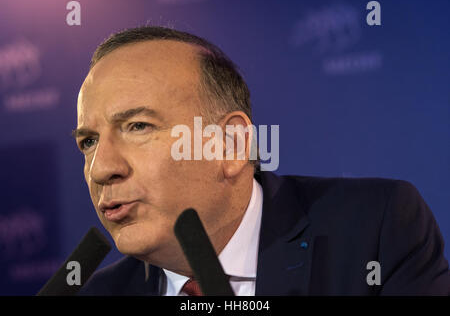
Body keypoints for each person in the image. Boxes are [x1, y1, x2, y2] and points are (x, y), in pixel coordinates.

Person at [73, 26, 449, 295]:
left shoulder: (372, 232)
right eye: (88, 141)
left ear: (232, 145)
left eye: (137, 126)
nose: (101, 168)